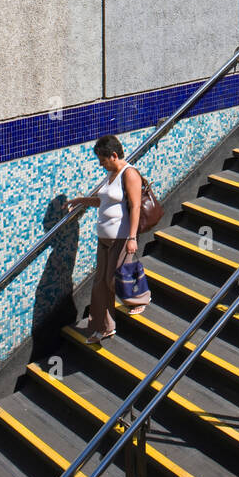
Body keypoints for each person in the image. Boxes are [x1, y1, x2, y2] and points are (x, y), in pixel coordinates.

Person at [65, 136, 142, 344]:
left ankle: (140, 298)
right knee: (100, 284)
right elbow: (102, 201)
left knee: (112, 280)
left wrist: (132, 237)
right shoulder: (110, 174)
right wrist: (80, 200)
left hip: (121, 237)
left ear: (114, 155)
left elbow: (135, 207)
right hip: (104, 238)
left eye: (102, 159)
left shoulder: (130, 174)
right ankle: (104, 327)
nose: (100, 164)